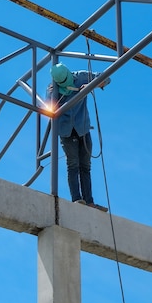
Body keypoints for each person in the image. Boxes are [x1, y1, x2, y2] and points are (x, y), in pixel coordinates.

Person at [47, 63, 110, 210]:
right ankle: (77, 199)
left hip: (82, 128)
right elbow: (49, 108)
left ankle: (89, 201)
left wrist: (92, 85)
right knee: (73, 165)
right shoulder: (52, 89)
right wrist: (53, 99)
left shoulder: (80, 76)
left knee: (85, 166)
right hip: (66, 132)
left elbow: (106, 78)